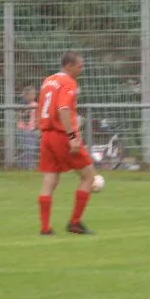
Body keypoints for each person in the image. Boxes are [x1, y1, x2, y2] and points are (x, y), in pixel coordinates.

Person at [36, 50, 97, 235]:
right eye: (80, 66)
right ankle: (75, 222)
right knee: (89, 176)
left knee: (49, 180)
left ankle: (45, 228)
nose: (82, 69)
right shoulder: (68, 82)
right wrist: (72, 137)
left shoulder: (48, 80)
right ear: (69, 66)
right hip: (62, 135)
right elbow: (63, 109)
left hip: (46, 136)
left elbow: (42, 107)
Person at [17, 85, 39, 169]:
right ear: (26, 95)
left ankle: (30, 164)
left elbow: (37, 117)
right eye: (31, 94)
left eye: (34, 94)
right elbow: (20, 116)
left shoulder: (36, 104)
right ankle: (26, 165)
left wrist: (37, 126)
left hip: (33, 129)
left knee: (32, 148)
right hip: (24, 129)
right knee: (27, 148)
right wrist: (26, 112)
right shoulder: (22, 104)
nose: (33, 95)